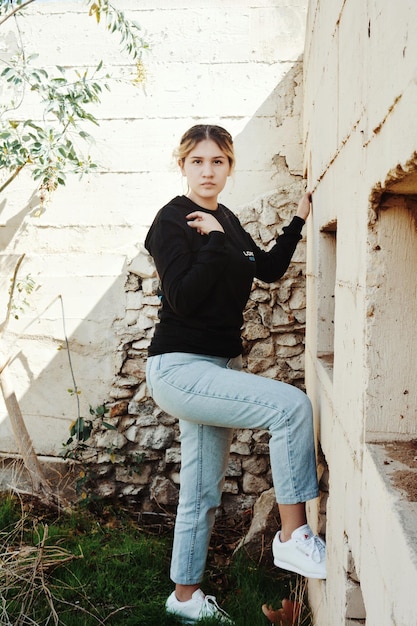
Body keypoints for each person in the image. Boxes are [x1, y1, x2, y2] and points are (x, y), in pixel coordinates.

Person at [145, 124, 326, 624]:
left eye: (218, 161)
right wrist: (213, 243)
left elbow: (265, 268)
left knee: (201, 492)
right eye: (198, 161)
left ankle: (184, 599)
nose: (208, 171)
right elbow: (180, 295)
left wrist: (297, 221)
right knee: (290, 407)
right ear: (182, 165)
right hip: (178, 367)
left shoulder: (225, 218)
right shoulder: (172, 221)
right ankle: (292, 537)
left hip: (212, 366)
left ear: (229, 166)